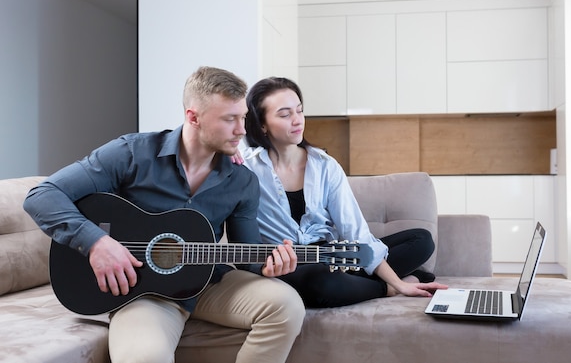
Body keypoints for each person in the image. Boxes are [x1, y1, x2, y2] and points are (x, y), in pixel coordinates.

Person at [23, 67, 305, 363]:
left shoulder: (242, 181)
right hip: (142, 293)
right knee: (146, 356)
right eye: (229, 119)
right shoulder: (131, 153)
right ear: (193, 117)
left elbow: (249, 256)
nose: (241, 130)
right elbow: (42, 196)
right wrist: (96, 243)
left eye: (243, 118)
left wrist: (269, 265)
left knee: (287, 305)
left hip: (209, 282)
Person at [239, 76, 448, 308]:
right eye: (285, 114)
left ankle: (360, 283)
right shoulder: (246, 169)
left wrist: (399, 282)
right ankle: (384, 288)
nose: (297, 120)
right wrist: (398, 285)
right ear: (261, 124)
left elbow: (355, 230)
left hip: (332, 256)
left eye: (299, 111)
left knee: (421, 240)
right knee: (322, 282)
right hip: (291, 267)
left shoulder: (325, 165)